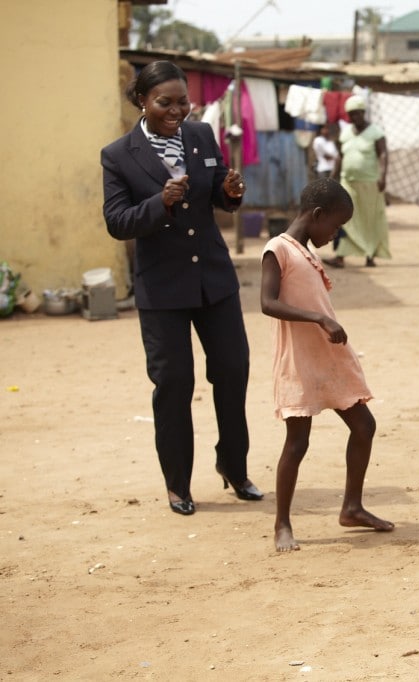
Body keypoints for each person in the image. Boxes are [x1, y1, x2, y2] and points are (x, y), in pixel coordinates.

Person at [101, 60, 261, 516]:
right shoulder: (118, 155)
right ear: (141, 102)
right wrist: (159, 202)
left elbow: (217, 195)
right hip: (162, 290)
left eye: (182, 101)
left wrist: (230, 191)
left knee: (232, 371)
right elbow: (117, 222)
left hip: (214, 280)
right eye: (164, 102)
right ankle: (178, 484)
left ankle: (234, 467)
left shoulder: (201, 135)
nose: (176, 111)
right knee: (174, 383)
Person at [260, 179, 395, 551]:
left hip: (328, 357)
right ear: (317, 215)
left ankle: (352, 507)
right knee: (297, 443)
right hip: (300, 361)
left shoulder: (306, 251)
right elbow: (267, 302)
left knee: (364, 425)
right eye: (334, 226)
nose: (335, 234)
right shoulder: (278, 250)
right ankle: (282, 524)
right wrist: (320, 320)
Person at [325, 96, 390, 269]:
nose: (354, 117)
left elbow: (383, 154)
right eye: (351, 115)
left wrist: (383, 176)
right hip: (348, 183)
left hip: (369, 184)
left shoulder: (376, 132)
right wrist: (333, 177)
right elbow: (340, 156)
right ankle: (340, 256)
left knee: (369, 221)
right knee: (344, 218)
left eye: (357, 114)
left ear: (363, 113)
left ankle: (370, 256)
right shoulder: (346, 133)